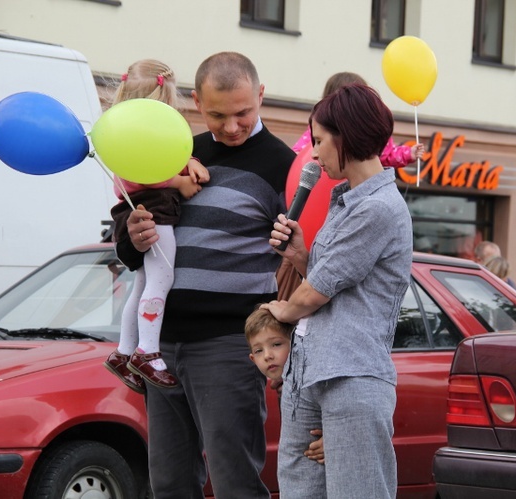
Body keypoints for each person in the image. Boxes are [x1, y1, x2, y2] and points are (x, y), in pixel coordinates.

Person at [119, 52, 297, 498]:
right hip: (161, 345)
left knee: (235, 479)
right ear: (196, 102)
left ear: (260, 95)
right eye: (218, 115)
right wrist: (134, 237)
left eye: (243, 113)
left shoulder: (283, 166)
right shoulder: (178, 151)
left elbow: (304, 257)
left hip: (229, 345)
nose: (232, 126)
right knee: (169, 482)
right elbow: (132, 247)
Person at [263, 83, 413, 498]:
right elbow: (337, 279)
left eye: (319, 140)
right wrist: (299, 258)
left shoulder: (379, 206)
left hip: (349, 373)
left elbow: (317, 293)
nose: (312, 153)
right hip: (313, 371)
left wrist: (279, 312)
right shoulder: (348, 201)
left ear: (344, 136)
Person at [104, 59, 210, 392]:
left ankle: (124, 351)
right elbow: (143, 173)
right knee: (162, 278)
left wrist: (187, 160)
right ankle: (147, 350)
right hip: (155, 211)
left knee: (142, 282)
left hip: (134, 209)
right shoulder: (142, 131)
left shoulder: (120, 129)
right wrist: (178, 183)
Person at [292, 71, 425, 167]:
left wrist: (408, 153)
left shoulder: (366, 129)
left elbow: (385, 153)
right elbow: (302, 151)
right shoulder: (319, 127)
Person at [244, 307, 325, 464]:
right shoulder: (286, 386)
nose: (268, 355)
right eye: (259, 350)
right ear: (253, 359)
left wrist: (335, 439)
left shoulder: (316, 381)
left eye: (276, 344)